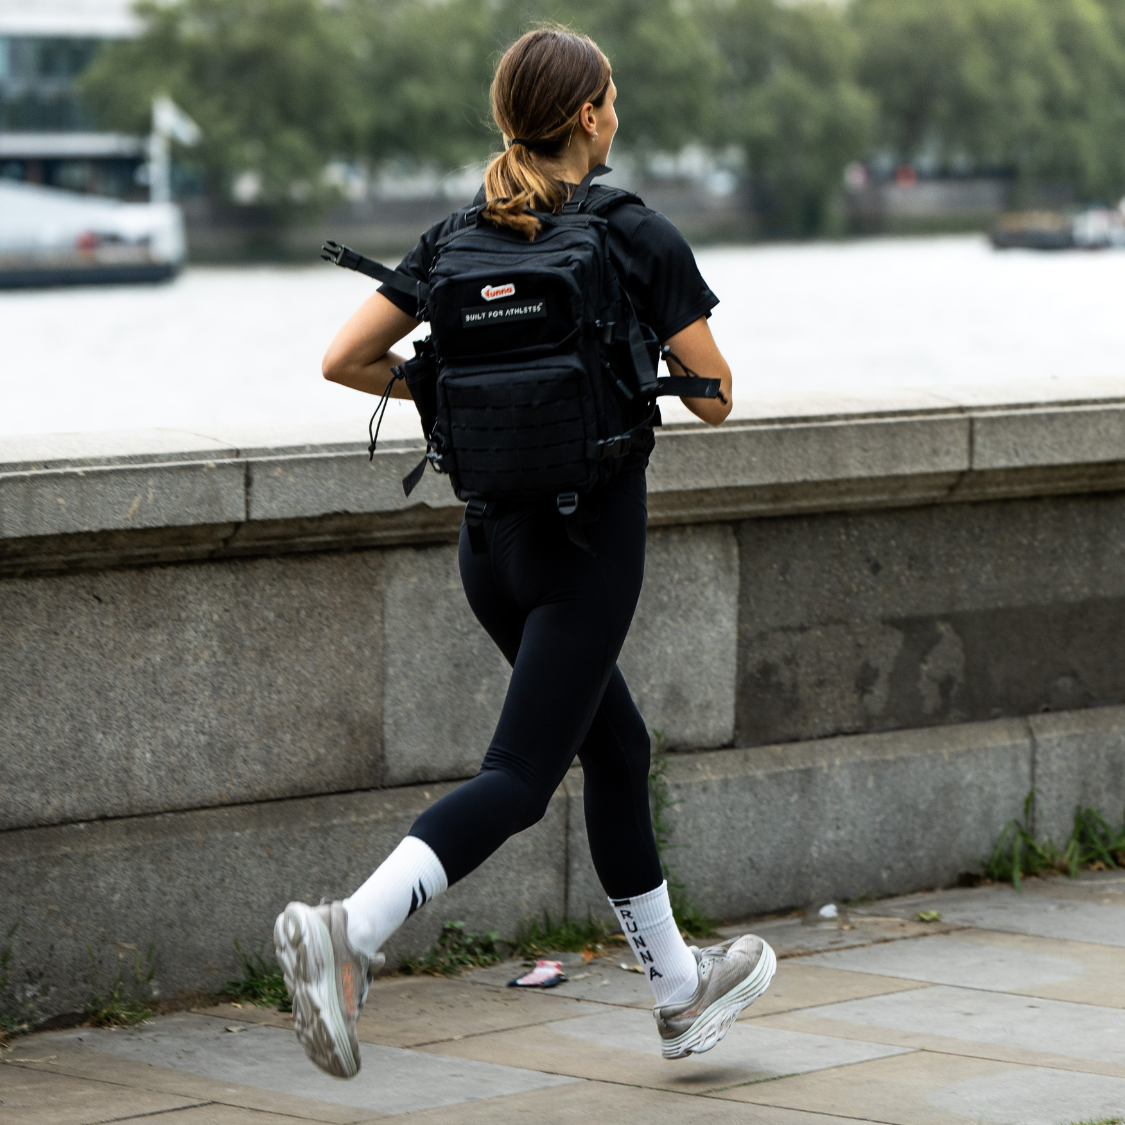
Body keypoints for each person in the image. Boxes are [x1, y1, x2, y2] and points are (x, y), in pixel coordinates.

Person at [274, 25, 775, 1079]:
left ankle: (681, 991)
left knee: (619, 750)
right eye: (616, 99)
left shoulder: (456, 237)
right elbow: (719, 398)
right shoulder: (633, 233)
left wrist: (456, 388)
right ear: (590, 115)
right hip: (586, 547)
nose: (618, 112)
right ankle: (347, 933)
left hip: (490, 551)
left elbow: (343, 359)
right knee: (517, 777)